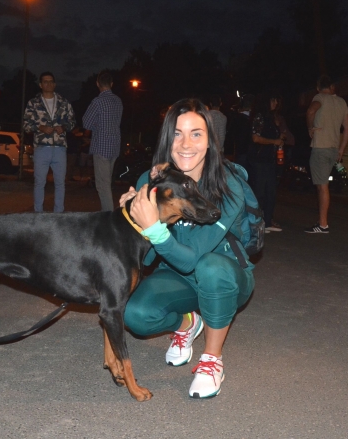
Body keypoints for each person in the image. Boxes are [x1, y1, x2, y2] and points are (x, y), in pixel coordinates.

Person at [120, 98, 255, 399]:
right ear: (166, 139)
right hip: (176, 277)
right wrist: (132, 218)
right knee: (135, 314)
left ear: (210, 141)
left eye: (196, 134)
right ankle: (187, 322)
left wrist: (154, 228)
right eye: (177, 134)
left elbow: (192, 259)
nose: (185, 144)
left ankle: (212, 359)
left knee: (210, 267)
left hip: (227, 277)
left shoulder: (228, 185)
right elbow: (148, 257)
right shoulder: (151, 181)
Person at [305, 75, 348, 233]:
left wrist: (310, 128)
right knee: (323, 185)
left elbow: (311, 111)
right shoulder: (341, 102)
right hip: (333, 149)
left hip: (320, 148)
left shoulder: (319, 98)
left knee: (322, 187)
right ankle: (322, 222)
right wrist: (341, 149)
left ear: (318, 88)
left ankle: (323, 224)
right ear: (332, 87)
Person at [23, 72, 76, 212]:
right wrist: (40, 127)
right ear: (40, 85)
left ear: (55, 84)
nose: (48, 84)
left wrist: (64, 127)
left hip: (59, 148)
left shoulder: (64, 103)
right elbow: (26, 125)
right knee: (39, 183)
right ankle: (38, 213)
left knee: (60, 183)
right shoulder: (33, 103)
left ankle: (58, 214)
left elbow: (72, 122)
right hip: (41, 147)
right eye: (45, 81)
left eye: (51, 81)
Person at [82, 71, 123, 211]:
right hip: (115, 146)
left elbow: (86, 123)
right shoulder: (118, 101)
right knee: (107, 182)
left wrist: (96, 125)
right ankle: (108, 213)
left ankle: (108, 216)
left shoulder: (98, 102)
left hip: (101, 147)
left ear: (97, 84)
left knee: (102, 185)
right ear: (111, 84)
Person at [249, 93, 285, 233]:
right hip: (259, 159)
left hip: (270, 159)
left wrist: (279, 138)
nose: (276, 103)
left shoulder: (272, 118)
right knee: (259, 192)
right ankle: (256, 223)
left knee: (271, 191)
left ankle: (268, 221)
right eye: (273, 100)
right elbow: (255, 138)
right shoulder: (259, 117)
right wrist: (274, 141)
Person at [226, 94, 255, 172]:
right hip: (253, 152)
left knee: (241, 173)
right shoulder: (255, 118)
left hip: (240, 150)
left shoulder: (236, 118)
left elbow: (230, 135)